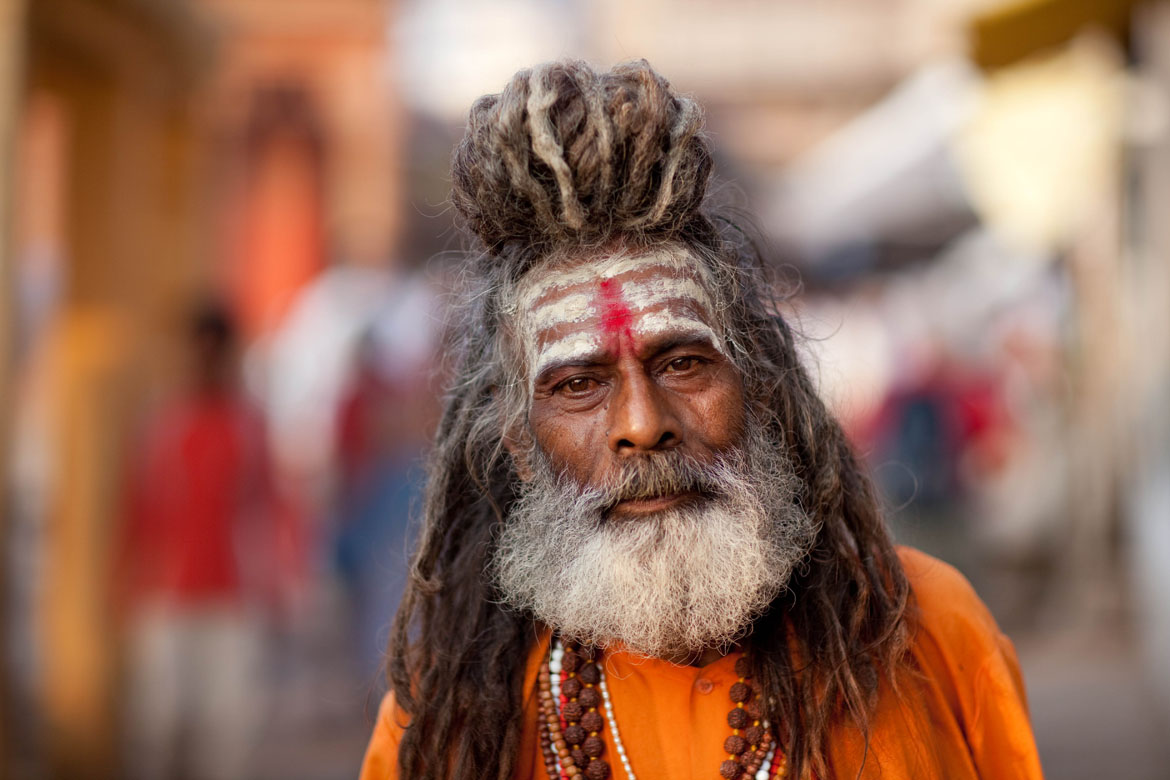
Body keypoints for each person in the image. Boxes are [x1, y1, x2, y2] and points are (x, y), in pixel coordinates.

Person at [359, 60, 1043, 780]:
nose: (643, 423)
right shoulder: (450, 720)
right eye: (580, 384)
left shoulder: (928, 632)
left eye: (683, 364)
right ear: (520, 446)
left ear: (757, 386)